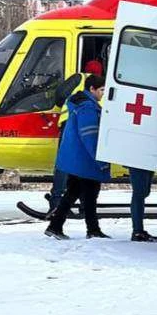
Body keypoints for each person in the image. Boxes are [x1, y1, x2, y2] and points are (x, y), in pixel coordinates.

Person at [45, 74, 111, 240]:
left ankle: (55, 226)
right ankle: (92, 229)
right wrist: (100, 161)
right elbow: (90, 136)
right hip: (85, 160)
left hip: (76, 159)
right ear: (92, 89)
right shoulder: (87, 107)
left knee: (72, 193)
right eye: (101, 90)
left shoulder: (80, 103)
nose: (103, 93)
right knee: (90, 195)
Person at [128, 167, 157, 242]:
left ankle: (138, 230)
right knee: (139, 194)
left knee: (143, 193)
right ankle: (137, 231)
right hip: (138, 164)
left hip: (146, 164)